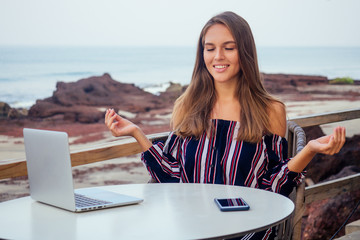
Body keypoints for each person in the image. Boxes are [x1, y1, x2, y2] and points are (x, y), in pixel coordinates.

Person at [105, 11, 345, 240]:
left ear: (245, 52)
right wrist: (136, 133)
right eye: (210, 48)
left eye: (229, 48)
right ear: (202, 55)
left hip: (249, 230)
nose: (218, 56)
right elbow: (171, 177)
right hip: (193, 228)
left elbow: (273, 186)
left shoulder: (270, 110)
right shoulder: (186, 106)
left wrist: (310, 149)